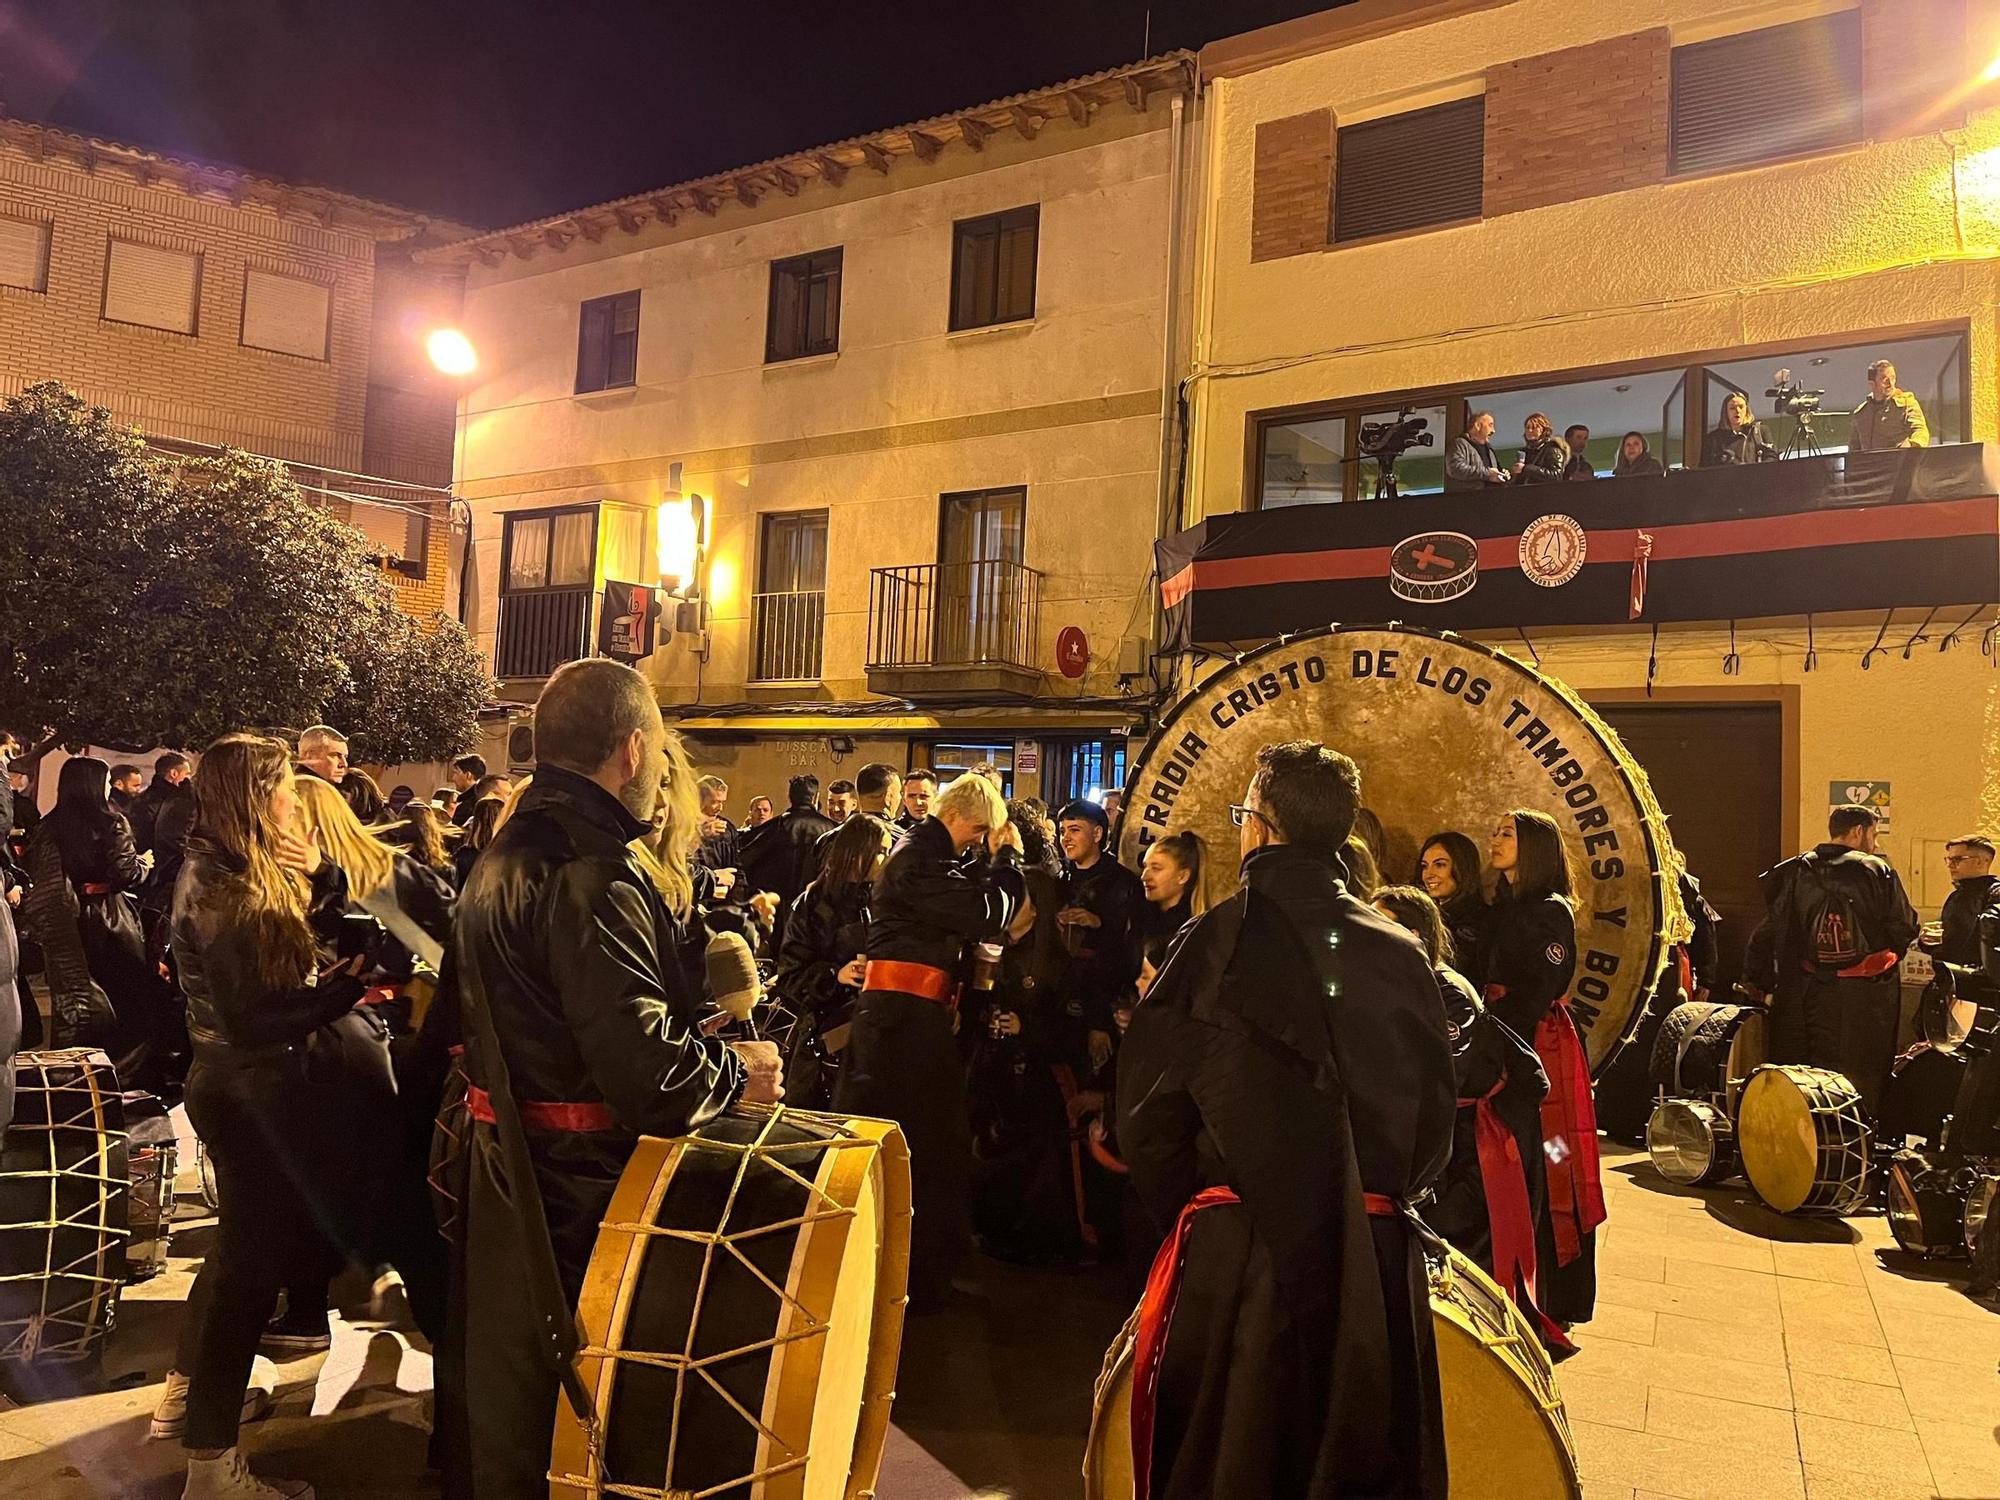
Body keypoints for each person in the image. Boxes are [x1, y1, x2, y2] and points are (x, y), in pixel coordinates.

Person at [449, 658, 779, 1500]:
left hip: (508, 1167)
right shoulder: (597, 870)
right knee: (587, 1430)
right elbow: (648, 1078)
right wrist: (734, 1072)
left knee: (517, 1417)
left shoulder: (503, 850)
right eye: (662, 753)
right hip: (579, 1192)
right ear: (632, 751)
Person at [1120, 741, 1454, 1499]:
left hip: (1246, 1256)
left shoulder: (1213, 941)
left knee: (1236, 1464)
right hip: (1373, 1259)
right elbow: (1435, 1128)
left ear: (1261, 830)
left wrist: (1206, 1211)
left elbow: (1146, 1111)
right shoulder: (1402, 952)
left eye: (1244, 815)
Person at [158, 734, 380, 1500]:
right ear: (258, 795)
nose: (296, 797)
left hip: (247, 1087)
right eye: (285, 785)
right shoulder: (223, 888)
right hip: (248, 1092)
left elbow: (341, 918)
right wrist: (345, 992)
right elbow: (254, 1019)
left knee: (244, 1266)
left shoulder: (235, 871)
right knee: (247, 1276)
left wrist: (322, 874)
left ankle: (200, 1422)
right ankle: (212, 1465)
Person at [837, 771, 1025, 1308]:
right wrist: (1004, 861)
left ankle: (915, 1268)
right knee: (923, 1143)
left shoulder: (923, 855)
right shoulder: (919, 859)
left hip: (906, 1019)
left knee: (924, 1142)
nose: (977, 842)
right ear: (966, 820)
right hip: (900, 1025)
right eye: (978, 833)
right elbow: (984, 913)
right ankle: (912, 1273)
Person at [1374, 884, 1557, 1349]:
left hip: (1472, 1144)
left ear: (1413, 935)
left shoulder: (1451, 992)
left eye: (1381, 926)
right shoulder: (1390, 983)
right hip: (1436, 1133)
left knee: (1465, 1251)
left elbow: (1433, 1083)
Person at [1485, 809, 1602, 1327]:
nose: (1495, 839)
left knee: (1554, 1154)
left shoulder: (1549, 911)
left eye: (1507, 833)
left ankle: (1555, 1291)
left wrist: (1493, 1029)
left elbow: (1538, 988)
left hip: (1534, 1046)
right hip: (1508, 1034)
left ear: (1533, 847)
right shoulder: (1506, 905)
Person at [969, 805, 1086, 1265]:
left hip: (1036, 1081)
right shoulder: (992, 949)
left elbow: (1068, 1026)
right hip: (995, 1077)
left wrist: (1026, 1027)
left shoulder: (1055, 962)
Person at [1753, 804, 1917, 1116]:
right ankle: (1858, 1135)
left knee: (1812, 1066)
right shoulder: (1876, 870)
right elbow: (1904, 926)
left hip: (1808, 991)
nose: (1876, 843)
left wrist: (1759, 978)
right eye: (1874, 834)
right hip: (1865, 998)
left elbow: (1773, 929)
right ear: (1859, 831)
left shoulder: (1796, 869)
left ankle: (1810, 1134)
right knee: (1862, 1070)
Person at [39, 755, 178, 1087]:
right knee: (128, 998)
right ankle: (123, 1080)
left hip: (69, 923)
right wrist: (143, 863)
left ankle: (76, 1079)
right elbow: (125, 873)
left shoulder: (48, 825)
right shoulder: (111, 822)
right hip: (110, 919)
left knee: (80, 1002)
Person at [773, 816, 891, 1108]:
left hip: (877, 1034)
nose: (887, 859)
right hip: (826, 1040)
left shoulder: (886, 899)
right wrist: (836, 975)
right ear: (859, 854)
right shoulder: (813, 904)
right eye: (882, 851)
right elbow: (789, 975)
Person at [1055, 799, 1144, 1076]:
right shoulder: (1059, 880)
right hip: (1058, 1009)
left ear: (1097, 834)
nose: (1065, 838)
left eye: (1074, 830)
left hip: (1101, 1008)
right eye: (1062, 831)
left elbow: (1127, 956)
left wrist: (1101, 1022)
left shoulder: (1123, 884)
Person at [736, 775, 837, 931]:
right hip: (818, 909)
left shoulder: (776, 826)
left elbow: (745, 859)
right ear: (815, 797)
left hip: (780, 909)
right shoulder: (831, 829)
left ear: (790, 798)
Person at [1416, 831, 1489, 984]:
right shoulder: (1426, 913)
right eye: (1424, 866)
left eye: (1440, 865)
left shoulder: (1479, 919)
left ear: (1462, 868)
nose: (1428, 874)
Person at [813, 762, 902, 866]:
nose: (901, 798)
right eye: (899, 792)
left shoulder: (826, 840)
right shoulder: (902, 841)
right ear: (888, 797)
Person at [1137, 830, 1205, 946]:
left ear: (1182, 876)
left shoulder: (1190, 933)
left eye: (1156, 868)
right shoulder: (1140, 914)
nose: (1144, 877)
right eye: (1145, 867)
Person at [1849, 359, 1929, 452]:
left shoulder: (1906, 404)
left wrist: (1912, 446)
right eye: (1885, 380)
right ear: (1872, 383)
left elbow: (1920, 430)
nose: (1890, 384)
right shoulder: (1861, 413)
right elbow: (1854, 447)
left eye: (1893, 378)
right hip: (1871, 465)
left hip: (1898, 463)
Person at [132, 752, 195, 854]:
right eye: (187, 774)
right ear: (174, 773)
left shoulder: (142, 799)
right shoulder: (176, 803)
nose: (189, 778)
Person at [1701, 391, 1774, 466]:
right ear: (1725, 411)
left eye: (1741, 407)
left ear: (1746, 410)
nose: (1738, 411)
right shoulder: (1713, 439)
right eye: (1732, 408)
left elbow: (1772, 459)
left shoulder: (1760, 432)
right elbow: (1704, 470)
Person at [1444, 409, 1509, 491]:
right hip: (1468, 499)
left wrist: (1502, 473)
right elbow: (1455, 469)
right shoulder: (1460, 444)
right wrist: (1487, 473)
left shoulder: (1490, 451)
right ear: (1478, 425)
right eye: (1490, 425)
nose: (1493, 431)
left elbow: (1494, 472)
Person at [694, 774, 738, 871]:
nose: (720, 808)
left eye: (722, 802)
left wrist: (734, 882)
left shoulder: (728, 828)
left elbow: (737, 865)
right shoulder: (681, 827)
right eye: (714, 802)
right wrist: (700, 835)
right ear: (699, 799)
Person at [1510, 412, 1569, 484]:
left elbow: (1556, 476)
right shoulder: (1524, 452)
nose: (1530, 431)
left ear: (1544, 430)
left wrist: (1526, 468)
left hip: (1544, 493)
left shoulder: (1553, 450)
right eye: (1527, 427)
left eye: (1534, 427)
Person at [447, 754, 485, 827]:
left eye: (456, 773)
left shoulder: (468, 805)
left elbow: (456, 834)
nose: (453, 778)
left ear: (468, 775)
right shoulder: (482, 796)